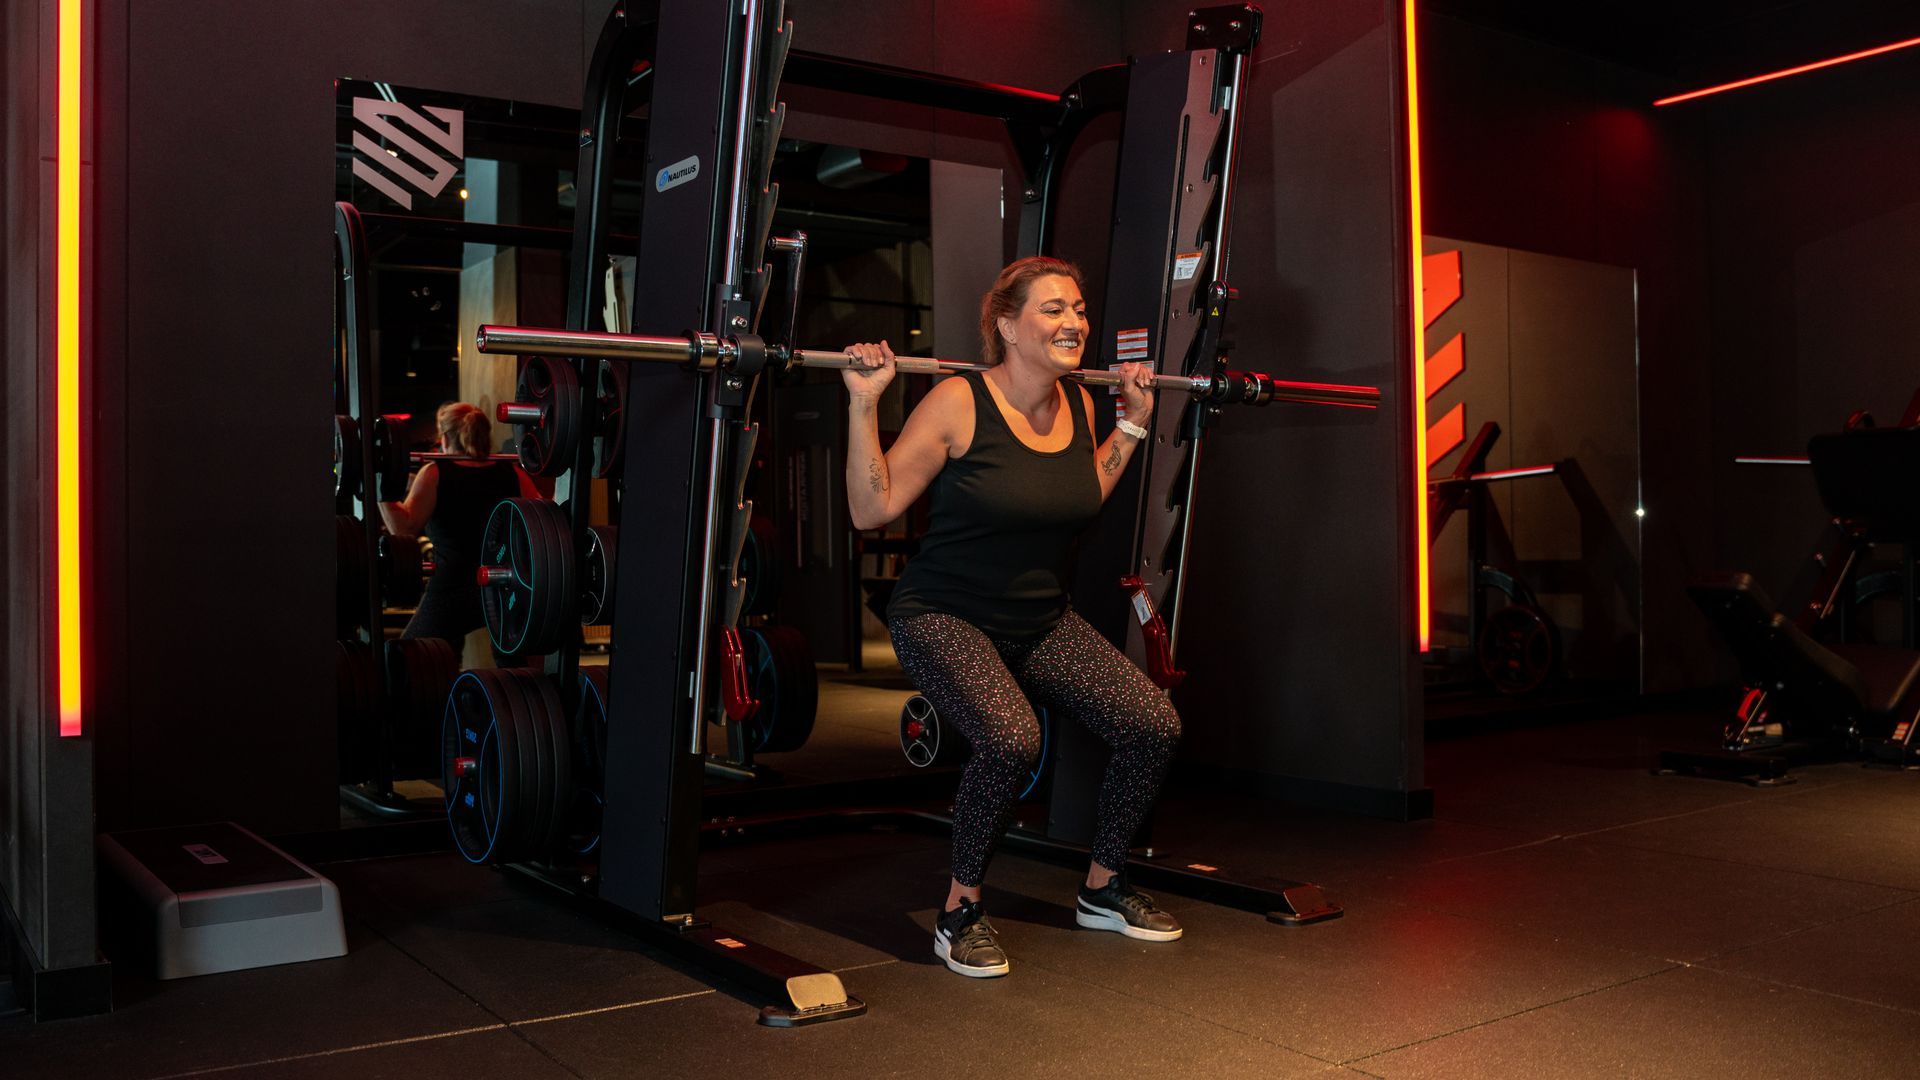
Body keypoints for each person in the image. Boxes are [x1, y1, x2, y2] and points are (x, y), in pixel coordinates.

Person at [843, 256, 1184, 979]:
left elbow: (1084, 492)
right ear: (1007, 325)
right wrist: (863, 403)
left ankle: (1102, 888)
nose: (1076, 323)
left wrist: (1133, 424)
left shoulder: (1082, 406)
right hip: (944, 615)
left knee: (1153, 725)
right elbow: (871, 511)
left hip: (1038, 621)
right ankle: (960, 910)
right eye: (1055, 310)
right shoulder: (959, 403)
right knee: (1010, 737)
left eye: (1080, 309)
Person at [379, 401, 540, 663]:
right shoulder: (512, 473)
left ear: (444, 437)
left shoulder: (434, 473)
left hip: (451, 590)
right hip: (503, 587)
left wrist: (379, 485)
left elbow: (404, 527)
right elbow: (543, 524)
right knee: (516, 672)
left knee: (406, 659)